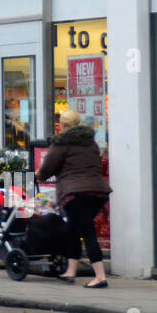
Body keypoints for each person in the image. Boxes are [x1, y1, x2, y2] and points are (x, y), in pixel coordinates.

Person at [35, 108, 111, 287]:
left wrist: (39, 174)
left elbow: (48, 168)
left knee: (87, 232)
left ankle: (100, 276)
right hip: (97, 192)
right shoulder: (90, 142)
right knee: (73, 230)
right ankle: (70, 270)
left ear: (62, 124)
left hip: (75, 194)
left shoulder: (61, 142)